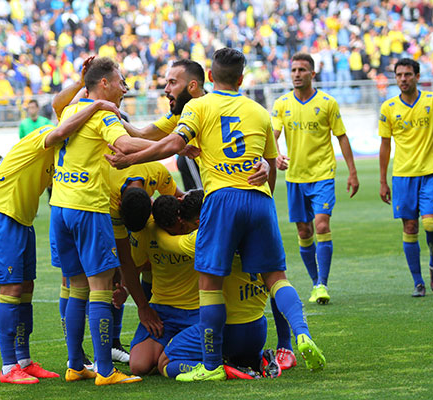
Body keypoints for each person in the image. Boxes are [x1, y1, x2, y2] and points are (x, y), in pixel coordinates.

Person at [105, 48, 325, 381]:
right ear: (241, 78)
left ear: (209, 77)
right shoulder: (260, 111)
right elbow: (270, 165)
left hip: (221, 199)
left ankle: (210, 365)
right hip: (260, 198)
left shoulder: (198, 107)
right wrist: (264, 183)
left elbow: (173, 145)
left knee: (208, 283)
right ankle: (298, 336)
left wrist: (129, 160)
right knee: (276, 277)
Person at [0, 95, 122, 384]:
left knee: (27, 286)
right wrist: (94, 104)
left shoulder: (68, 152)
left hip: (22, 217)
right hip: (2, 211)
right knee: (12, 287)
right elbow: (59, 125)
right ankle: (8, 367)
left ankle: (23, 360)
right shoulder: (48, 135)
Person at [48, 56, 156, 386]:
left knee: (76, 286)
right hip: (87, 209)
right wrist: (170, 147)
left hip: (59, 207)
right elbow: (124, 144)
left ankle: (75, 364)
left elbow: (57, 103)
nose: (125, 87)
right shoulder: (102, 115)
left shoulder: (71, 109)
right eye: (121, 81)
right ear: (105, 84)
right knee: (100, 289)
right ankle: (106, 372)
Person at [151, 192, 280, 380]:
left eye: (185, 226)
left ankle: (225, 368)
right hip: (258, 330)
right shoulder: (255, 233)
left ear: (197, 222)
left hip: (227, 331)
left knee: (164, 363)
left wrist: (151, 224)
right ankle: (263, 359)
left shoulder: (201, 239)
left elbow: (165, 242)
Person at [271, 52, 359, 307]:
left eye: (302, 70)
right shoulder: (282, 103)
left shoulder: (328, 103)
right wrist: (276, 156)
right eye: (294, 70)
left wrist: (352, 172)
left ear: (313, 74)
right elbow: (273, 135)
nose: (297, 74)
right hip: (295, 177)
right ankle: (314, 281)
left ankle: (322, 283)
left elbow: (342, 136)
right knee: (304, 230)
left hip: (323, 174)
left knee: (321, 226)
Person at [378, 57, 433, 297]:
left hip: (430, 173)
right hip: (402, 176)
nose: (403, 79)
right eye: (399, 75)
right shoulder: (388, 108)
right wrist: (382, 180)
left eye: (408, 75)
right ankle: (418, 282)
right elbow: (385, 146)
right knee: (410, 227)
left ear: (417, 77)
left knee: (431, 224)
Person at [126, 193, 201, 376]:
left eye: (179, 227)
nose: (176, 233)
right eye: (169, 230)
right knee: (138, 366)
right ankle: (176, 345)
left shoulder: (197, 225)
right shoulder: (146, 230)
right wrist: (143, 307)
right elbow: (131, 270)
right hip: (163, 312)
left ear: (181, 216)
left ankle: (183, 347)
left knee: (166, 363)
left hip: (199, 311)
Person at [122, 59, 206, 190]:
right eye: (167, 83)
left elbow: (173, 145)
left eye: (173, 83)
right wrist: (112, 113)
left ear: (192, 86)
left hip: (223, 188)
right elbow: (143, 135)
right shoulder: (180, 112)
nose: (166, 89)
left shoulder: (205, 109)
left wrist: (130, 159)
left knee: (186, 160)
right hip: (232, 191)